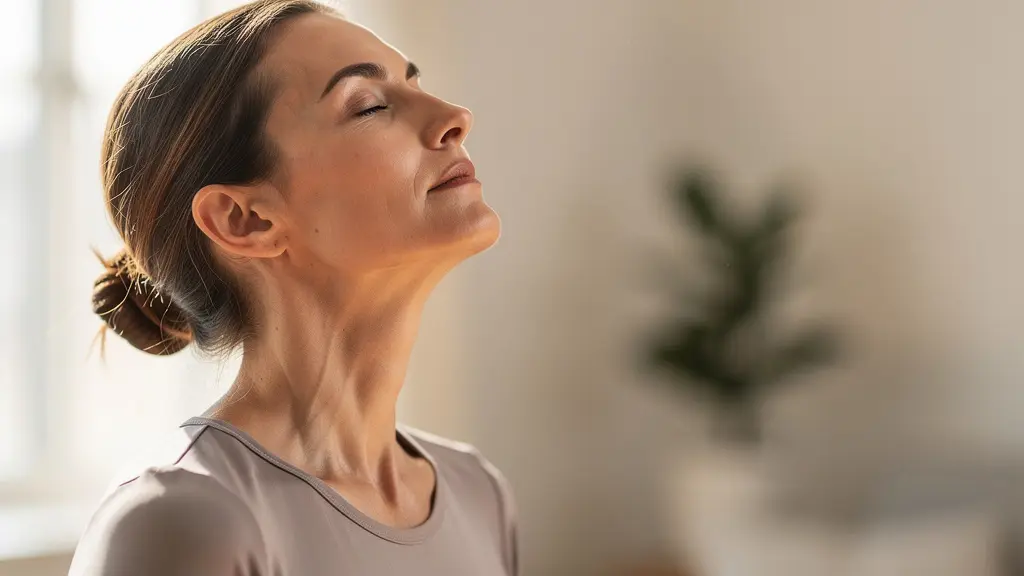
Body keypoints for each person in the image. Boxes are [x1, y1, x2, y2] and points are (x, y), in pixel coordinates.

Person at [69, 1, 515, 574]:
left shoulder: (478, 493)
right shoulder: (179, 522)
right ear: (245, 220)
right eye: (370, 106)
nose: (455, 115)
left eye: (415, 83)